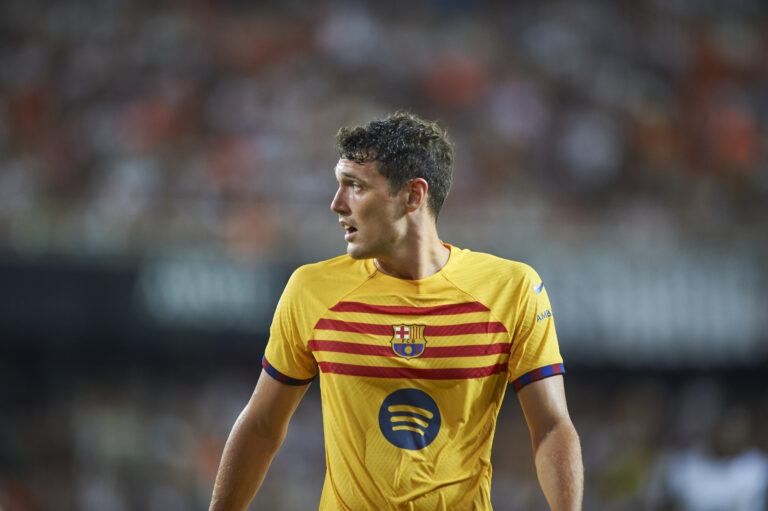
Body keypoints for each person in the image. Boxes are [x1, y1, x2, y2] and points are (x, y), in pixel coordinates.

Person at [209, 112, 583, 510]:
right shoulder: (310, 290)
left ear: (413, 196)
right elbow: (262, 425)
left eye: (355, 187)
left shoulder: (512, 289)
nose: (336, 204)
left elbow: (551, 426)